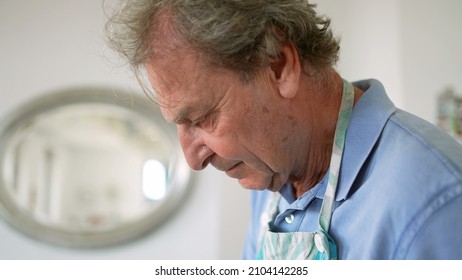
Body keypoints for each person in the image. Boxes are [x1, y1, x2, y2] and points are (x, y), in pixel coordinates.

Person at [105, 0, 462, 259]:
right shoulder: (271, 177)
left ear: (278, 66)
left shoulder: (435, 206)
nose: (193, 159)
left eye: (201, 118)